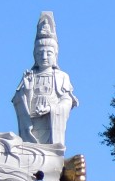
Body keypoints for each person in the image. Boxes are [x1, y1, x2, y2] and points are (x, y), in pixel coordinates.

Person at [12, 12, 78, 146]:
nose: (44, 57)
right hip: (33, 125)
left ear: (55, 55)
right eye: (40, 53)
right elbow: (18, 101)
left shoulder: (61, 76)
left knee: (49, 154)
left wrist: (51, 108)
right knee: (31, 152)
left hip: (51, 123)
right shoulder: (29, 76)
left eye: (49, 53)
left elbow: (67, 100)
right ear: (35, 55)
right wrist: (27, 91)